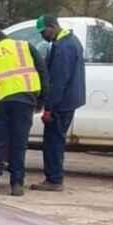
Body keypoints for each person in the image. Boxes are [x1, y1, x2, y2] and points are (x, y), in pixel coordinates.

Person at [0, 29, 41, 197]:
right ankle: (17, 185)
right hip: (24, 102)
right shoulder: (25, 47)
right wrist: (41, 100)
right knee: (19, 143)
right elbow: (42, 71)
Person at [35, 15, 86, 191]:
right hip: (69, 101)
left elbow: (58, 81)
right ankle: (54, 178)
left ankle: (54, 180)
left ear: (52, 26)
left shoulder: (63, 47)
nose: (42, 36)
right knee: (56, 140)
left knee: (53, 142)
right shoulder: (71, 41)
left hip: (61, 104)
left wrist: (48, 107)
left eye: (43, 32)